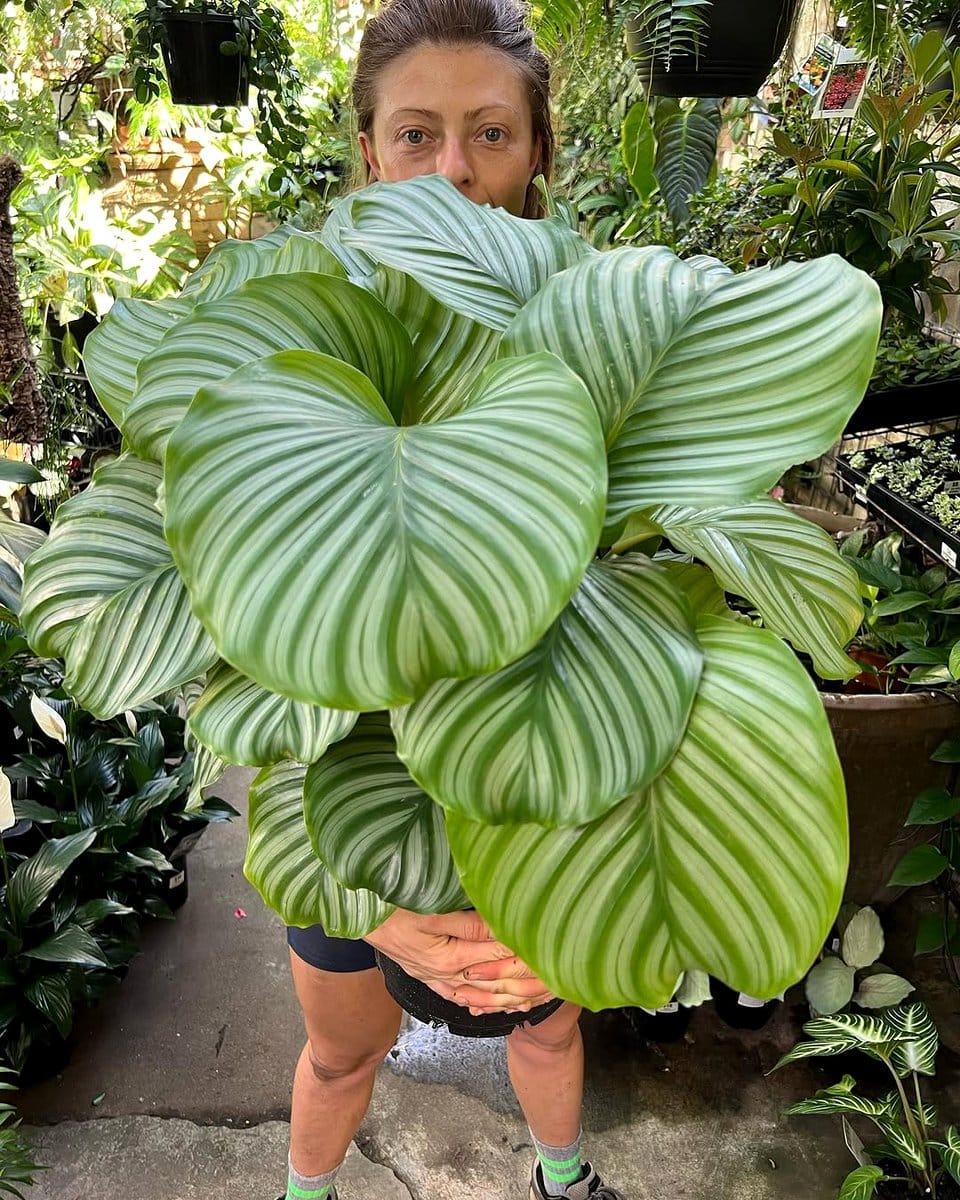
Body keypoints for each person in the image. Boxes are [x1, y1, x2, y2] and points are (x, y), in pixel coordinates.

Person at [279, 4, 627, 1199]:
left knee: (546, 1026)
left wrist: (566, 867)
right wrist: (377, 907)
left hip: (544, 781)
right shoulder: (291, 321)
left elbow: (648, 607)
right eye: (417, 133)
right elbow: (254, 671)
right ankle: (304, 1192)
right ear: (371, 149)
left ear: (536, 151)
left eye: (489, 133)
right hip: (354, 816)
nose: (455, 172)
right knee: (338, 1052)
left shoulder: (602, 326)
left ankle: (564, 1177)